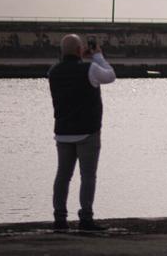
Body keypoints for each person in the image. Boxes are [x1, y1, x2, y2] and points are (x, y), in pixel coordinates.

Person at [48, 33, 115, 232]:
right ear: (80, 50)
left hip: (63, 133)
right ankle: (86, 218)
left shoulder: (53, 72)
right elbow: (110, 75)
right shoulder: (91, 68)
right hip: (87, 132)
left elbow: (66, 70)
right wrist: (97, 55)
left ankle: (60, 219)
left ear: (61, 51)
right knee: (87, 177)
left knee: (63, 176)